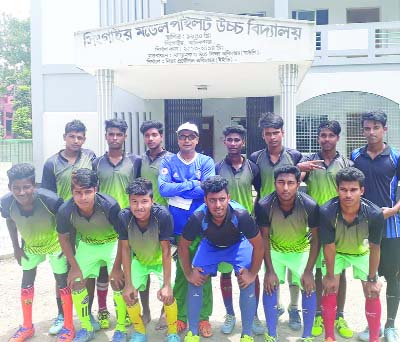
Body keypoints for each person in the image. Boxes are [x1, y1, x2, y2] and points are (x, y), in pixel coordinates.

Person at [178, 176, 264, 342]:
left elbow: (259, 246)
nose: (218, 205)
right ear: (205, 200)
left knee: (246, 280)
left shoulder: (241, 215)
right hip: (210, 246)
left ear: (229, 198)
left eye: (222, 199)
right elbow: (182, 246)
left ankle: (246, 334)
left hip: (237, 245)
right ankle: (193, 332)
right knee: (196, 279)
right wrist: (189, 273)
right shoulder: (198, 217)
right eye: (212, 200)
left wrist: (252, 273)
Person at [1, 164, 74, 342]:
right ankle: (27, 326)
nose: (21, 192)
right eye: (16, 188)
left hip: (55, 244)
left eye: (26, 187)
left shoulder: (50, 200)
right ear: (10, 187)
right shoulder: (6, 202)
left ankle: (69, 326)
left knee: (62, 282)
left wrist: (69, 249)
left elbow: (68, 223)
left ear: (34, 185)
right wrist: (16, 248)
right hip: (30, 246)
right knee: (26, 282)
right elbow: (10, 221)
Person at [41, 119, 99, 334]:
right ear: (64, 136)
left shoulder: (90, 157)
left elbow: (95, 186)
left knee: (87, 270)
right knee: (63, 272)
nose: (76, 141)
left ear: (84, 139)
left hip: (86, 223)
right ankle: (62, 314)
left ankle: (88, 311)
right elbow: (46, 196)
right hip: (63, 223)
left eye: (80, 137)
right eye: (72, 136)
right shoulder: (51, 163)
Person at [159, 122, 215, 337]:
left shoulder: (205, 161)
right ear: (178, 139)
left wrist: (180, 189)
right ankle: (181, 317)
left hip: (203, 225)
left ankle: (203, 318)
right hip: (178, 227)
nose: (187, 140)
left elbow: (207, 188)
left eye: (191, 136)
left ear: (197, 139)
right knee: (183, 273)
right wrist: (192, 184)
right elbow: (164, 189)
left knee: (204, 272)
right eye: (183, 136)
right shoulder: (168, 161)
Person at [298, 120, 353, 338]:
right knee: (317, 270)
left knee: (339, 270)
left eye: (331, 135)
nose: (326, 139)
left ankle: (339, 315)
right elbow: (294, 180)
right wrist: (299, 169)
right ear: (318, 137)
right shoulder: (310, 161)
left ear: (337, 138)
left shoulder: (347, 163)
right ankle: (319, 314)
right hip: (315, 224)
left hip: (340, 225)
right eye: (322, 135)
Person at [56, 169, 126, 342]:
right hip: (88, 244)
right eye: (78, 192)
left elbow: (123, 237)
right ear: (72, 192)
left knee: (118, 281)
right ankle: (87, 327)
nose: (83, 197)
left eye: (87, 192)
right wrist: (73, 267)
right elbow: (63, 239)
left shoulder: (109, 205)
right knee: (76, 282)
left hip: (112, 243)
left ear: (96, 189)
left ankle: (121, 328)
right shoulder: (65, 210)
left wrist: (117, 268)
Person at [250, 113, 303, 330]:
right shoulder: (255, 158)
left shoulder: (295, 156)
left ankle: (293, 307)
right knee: (270, 263)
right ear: (263, 135)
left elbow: (301, 181)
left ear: (283, 133)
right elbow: (256, 185)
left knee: (294, 263)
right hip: (265, 218)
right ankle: (278, 304)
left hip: (292, 217)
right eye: (268, 133)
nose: (272, 137)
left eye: (276, 133)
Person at [319, 167, 384, 342]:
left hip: (361, 252)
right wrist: (331, 275)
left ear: (362, 190)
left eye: (353, 190)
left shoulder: (375, 214)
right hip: (337, 251)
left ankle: (374, 339)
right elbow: (329, 246)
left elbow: (375, 247)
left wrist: (372, 279)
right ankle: (330, 337)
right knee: (330, 287)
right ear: (337, 189)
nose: (348, 195)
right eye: (343, 189)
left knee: (372, 292)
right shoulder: (326, 212)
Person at [351, 111, 400, 342]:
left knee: (393, 276)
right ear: (363, 130)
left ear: (385, 129)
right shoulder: (356, 156)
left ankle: (390, 326)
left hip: (391, 227)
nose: (371, 132)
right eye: (367, 128)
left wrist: (393, 210)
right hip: (363, 228)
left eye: (376, 127)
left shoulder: (396, 157)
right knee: (368, 277)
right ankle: (374, 324)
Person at [255, 165, 319, 342]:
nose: (285, 188)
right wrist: (269, 271)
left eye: (290, 183)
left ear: (298, 184)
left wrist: (308, 271)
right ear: (274, 183)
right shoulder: (264, 205)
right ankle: (272, 333)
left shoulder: (310, 205)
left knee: (308, 286)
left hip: (300, 250)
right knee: (270, 286)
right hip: (274, 250)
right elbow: (264, 238)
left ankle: (307, 336)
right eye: (281, 182)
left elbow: (316, 239)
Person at [215, 125, 263, 335]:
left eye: (237, 140)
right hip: (224, 229)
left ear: (243, 142)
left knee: (251, 273)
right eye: (229, 140)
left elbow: (261, 194)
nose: (233, 144)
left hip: (247, 230)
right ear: (223, 141)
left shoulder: (253, 167)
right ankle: (230, 314)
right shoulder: (217, 168)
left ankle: (253, 315)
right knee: (226, 274)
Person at [93, 118, 141, 328]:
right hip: (103, 223)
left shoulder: (135, 161)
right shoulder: (96, 163)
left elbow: (140, 189)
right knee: (104, 269)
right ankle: (103, 310)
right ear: (106, 136)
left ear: (125, 137)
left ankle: (123, 308)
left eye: (118, 134)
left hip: (128, 222)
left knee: (125, 268)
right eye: (110, 134)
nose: (114, 138)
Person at [118, 178, 180, 341]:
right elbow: (125, 248)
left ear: (152, 200)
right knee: (128, 294)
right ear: (129, 201)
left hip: (161, 261)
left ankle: (172, 332)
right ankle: (139, 331)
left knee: (169, 295)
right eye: (134, 202)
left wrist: (166, 285)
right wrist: (129, 284)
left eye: (144, 201)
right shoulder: (124, 217)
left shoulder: (163, 215)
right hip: (139, 260)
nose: (139, 207)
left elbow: (167, 251)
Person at [139, 120, 172, 328]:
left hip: (165, 219)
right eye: (147, 135)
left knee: (165, 264)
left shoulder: (171, 159)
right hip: (143, 220)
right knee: (143, 265)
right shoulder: (138, 161)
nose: (150, 139)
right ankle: (146, 310)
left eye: (154, 135)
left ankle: (164, 311)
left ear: (161, 136)